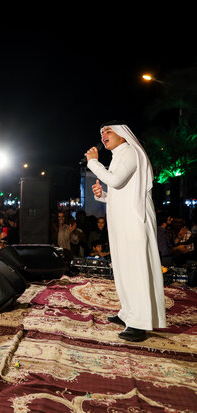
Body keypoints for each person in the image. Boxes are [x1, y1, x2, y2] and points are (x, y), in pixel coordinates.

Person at [86, 121, 166, 342]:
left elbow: (116, 180)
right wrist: (102, 195)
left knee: (135, 269)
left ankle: (139, 324)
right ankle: (128, 313)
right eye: (101, 132)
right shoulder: (117, 157)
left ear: (122, 134)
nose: (103, 135)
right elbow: (119, 192)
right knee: (123, 269)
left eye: (108, 131)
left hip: (134, 222)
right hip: (122, 222)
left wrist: (93, 163)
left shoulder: (130, 152)